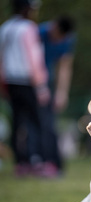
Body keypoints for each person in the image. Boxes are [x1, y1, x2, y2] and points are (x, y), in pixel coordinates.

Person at [0, 0, 51, 176]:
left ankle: (20, 162)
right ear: (26, 9)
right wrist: (41, 85)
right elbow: (34, 58)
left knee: (17, 122)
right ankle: (36, 159)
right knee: (35, 122)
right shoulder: (28, 28)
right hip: (27, 81)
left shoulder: (5, 28)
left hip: (11, 82)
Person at [38, 16, 76, 172]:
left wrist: (62, 93)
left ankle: (53, 162)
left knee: (49, 122)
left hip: (48, 82)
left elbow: (65, 67)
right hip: (30, 81)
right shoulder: (38, 33)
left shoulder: (68, 39)